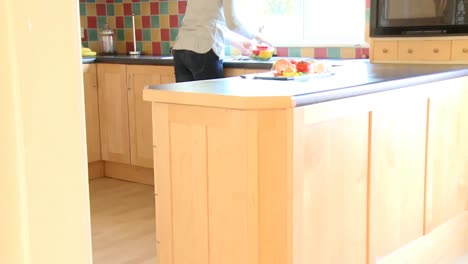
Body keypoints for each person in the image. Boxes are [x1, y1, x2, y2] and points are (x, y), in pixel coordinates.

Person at [172, 0, 270, 83]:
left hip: (181, 49)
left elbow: (207, 24)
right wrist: (257, 36)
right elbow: (232, 23)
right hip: (203, 51)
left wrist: (239, 44)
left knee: (186, 103)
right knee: (212, 104)